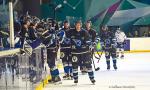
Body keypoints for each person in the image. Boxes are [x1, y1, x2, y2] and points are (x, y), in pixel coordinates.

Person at [70, 20, 96, 85]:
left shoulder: (85, 32)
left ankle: (92, 79)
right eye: (77, 24)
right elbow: (64, 35)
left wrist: (90, 44)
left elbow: (89, 41)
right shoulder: (71, 31)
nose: (78, 26)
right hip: (75, 53)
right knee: (74, 66)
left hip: (85, 53)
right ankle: (75, 79)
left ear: (81, 25)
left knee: (89, 66)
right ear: (75, 25)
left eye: (79, 25)